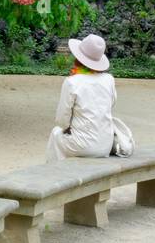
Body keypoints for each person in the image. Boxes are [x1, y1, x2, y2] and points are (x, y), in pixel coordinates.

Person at [46, 33, 117, 162]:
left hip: (83, 145)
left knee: (56, 133)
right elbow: (111, 104)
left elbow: (62, 119)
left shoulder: (72, 82)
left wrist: (67, 128)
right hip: (105, 144)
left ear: (78, 57)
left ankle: (56, 171)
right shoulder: (109, 79)